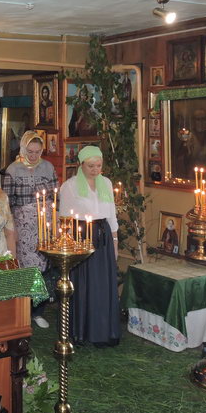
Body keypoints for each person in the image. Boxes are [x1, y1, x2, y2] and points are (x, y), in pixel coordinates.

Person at [59, 146, 119, 347]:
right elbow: (65, 219)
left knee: (103, 283)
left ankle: (104, 331)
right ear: (81, 164)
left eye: (99, 166)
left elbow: (111, 215)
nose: (95, 170)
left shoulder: (106, 183)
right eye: (91, 166)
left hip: (103, 235)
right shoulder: (70, 186)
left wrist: (115, 242)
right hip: (82, 235)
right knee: (85, 283)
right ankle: (81, 331)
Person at [3, 131, 58, 329]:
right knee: (26, 269)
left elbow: (55, 196)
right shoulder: (13, 169)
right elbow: (7, 202)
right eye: (30, 151)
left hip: (45, 225)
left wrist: (54, 224)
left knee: (44, 267)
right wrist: (12, 230)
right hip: (22, 226)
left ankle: (38, 311)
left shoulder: (48, 167)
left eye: (37, 152)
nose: (34, 156)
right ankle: (23, 310)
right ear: (23, 149)